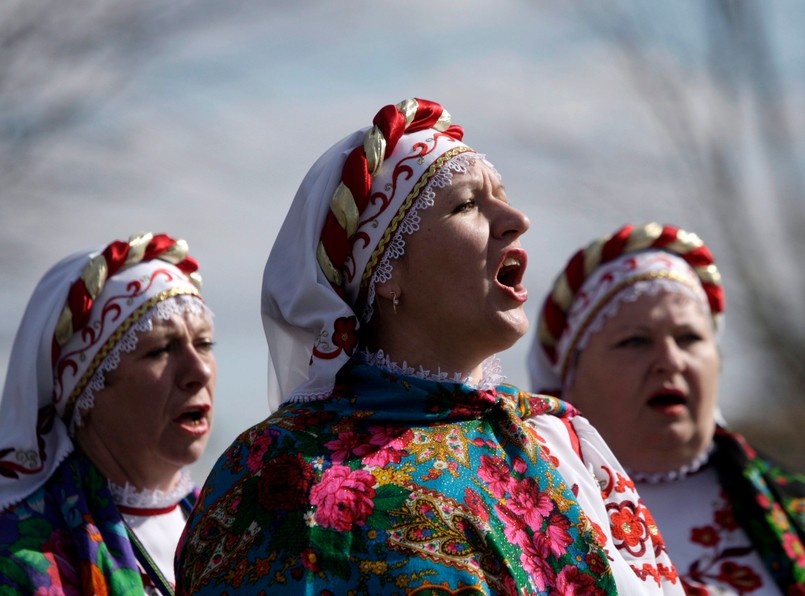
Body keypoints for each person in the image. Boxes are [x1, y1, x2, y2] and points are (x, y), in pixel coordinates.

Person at [176, 99, 683, 594]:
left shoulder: (557, 440)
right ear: (386, 273)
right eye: (466, 205)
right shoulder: (285, 472)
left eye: (502, 195)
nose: (516, 219)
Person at [528, 222, 805, 594]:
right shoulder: (530, 517)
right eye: (635, 341)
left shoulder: (792, 507)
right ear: (569, 379)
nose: (669, 361)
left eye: (689, 338)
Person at [0, 232, 216, 595]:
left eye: (205, 343)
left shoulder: (234, 525)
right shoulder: (19, 557)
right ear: (86, 390)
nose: (200, 372)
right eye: (161, 349)